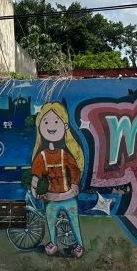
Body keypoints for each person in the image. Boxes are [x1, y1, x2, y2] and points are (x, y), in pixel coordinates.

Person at [29, 102, 85, 258]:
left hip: (67, 195)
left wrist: (74, 185)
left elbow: (74, 169)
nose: (51, 126)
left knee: (74, 221)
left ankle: (79, 244)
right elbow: (36, 174)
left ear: (65, 126)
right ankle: (53, 242)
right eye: (46, 122)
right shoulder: (42, 156)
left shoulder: (64, 153)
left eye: (56, 122)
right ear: (40, 127)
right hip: (52, 197)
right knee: (50, 217)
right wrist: (34, 189)